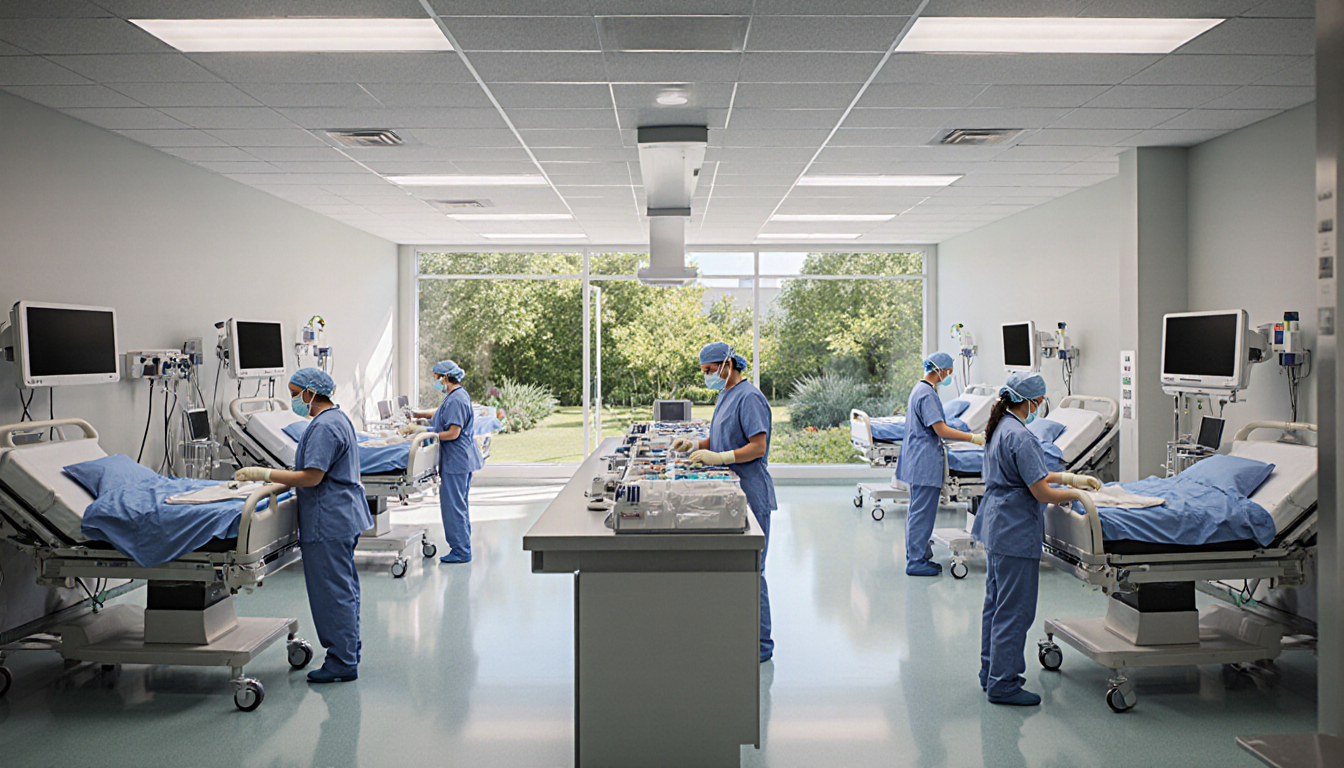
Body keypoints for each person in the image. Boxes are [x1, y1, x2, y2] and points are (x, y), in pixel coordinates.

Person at [235, 367, 372, 683]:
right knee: (343, 588)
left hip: (330, 520)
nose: (294, 398)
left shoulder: (324, 427)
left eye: (296, 392)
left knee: (332, 592)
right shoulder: (336, 418)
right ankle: (348, 652)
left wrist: (264, 475)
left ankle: (342, 661)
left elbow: (312, 476)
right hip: (341, 516)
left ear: (311, 393)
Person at [972, 371, 1101, 706]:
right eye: (1041, 401)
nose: (1041, 406)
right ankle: (1005, 684)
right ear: (1030, 401)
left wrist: (1071, 477)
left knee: (996, 606)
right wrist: (1072, 492)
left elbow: (1032, 473)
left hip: (998, 525)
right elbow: (1040, 490)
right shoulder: (1023, 437)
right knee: (1014, 611)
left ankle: (991, 674)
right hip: (1014, 530)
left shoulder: (1000, 428)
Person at [671, 342, 777, 663]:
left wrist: (718, 456)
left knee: (751, 569)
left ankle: (761, 647)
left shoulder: (750, 397)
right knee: (734, 567)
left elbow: (757, 446)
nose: (707, 377)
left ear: (727, 365)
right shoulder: (725, 395)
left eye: (709, 371)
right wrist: (695, 444)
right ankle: (737, 631)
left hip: (750, 490)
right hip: (730, 491)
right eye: (704, 372)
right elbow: (721, 437)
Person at [894, 351, 985, 577]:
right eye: (949, 372)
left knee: (918, 512)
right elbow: (941, 429)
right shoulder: (927, 395)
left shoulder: (920, 389)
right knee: (921, 514)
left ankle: (920, 555)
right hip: (924, 461)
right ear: (941, 370)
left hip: (918, 458)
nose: (949, 376)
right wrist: (972, 438)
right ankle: (916, 561)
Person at [404, 360, 482, 564]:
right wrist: (418, 418)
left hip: (457, 461)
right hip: (458, 459)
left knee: (453, 506)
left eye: (436, 378)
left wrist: (429, 434)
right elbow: (440, 414)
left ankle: (461, 551)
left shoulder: (456, 400)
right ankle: (462, 545)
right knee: (459, 505)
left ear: (446, 377)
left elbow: (453, 433)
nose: (436, 382)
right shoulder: (456, 395)